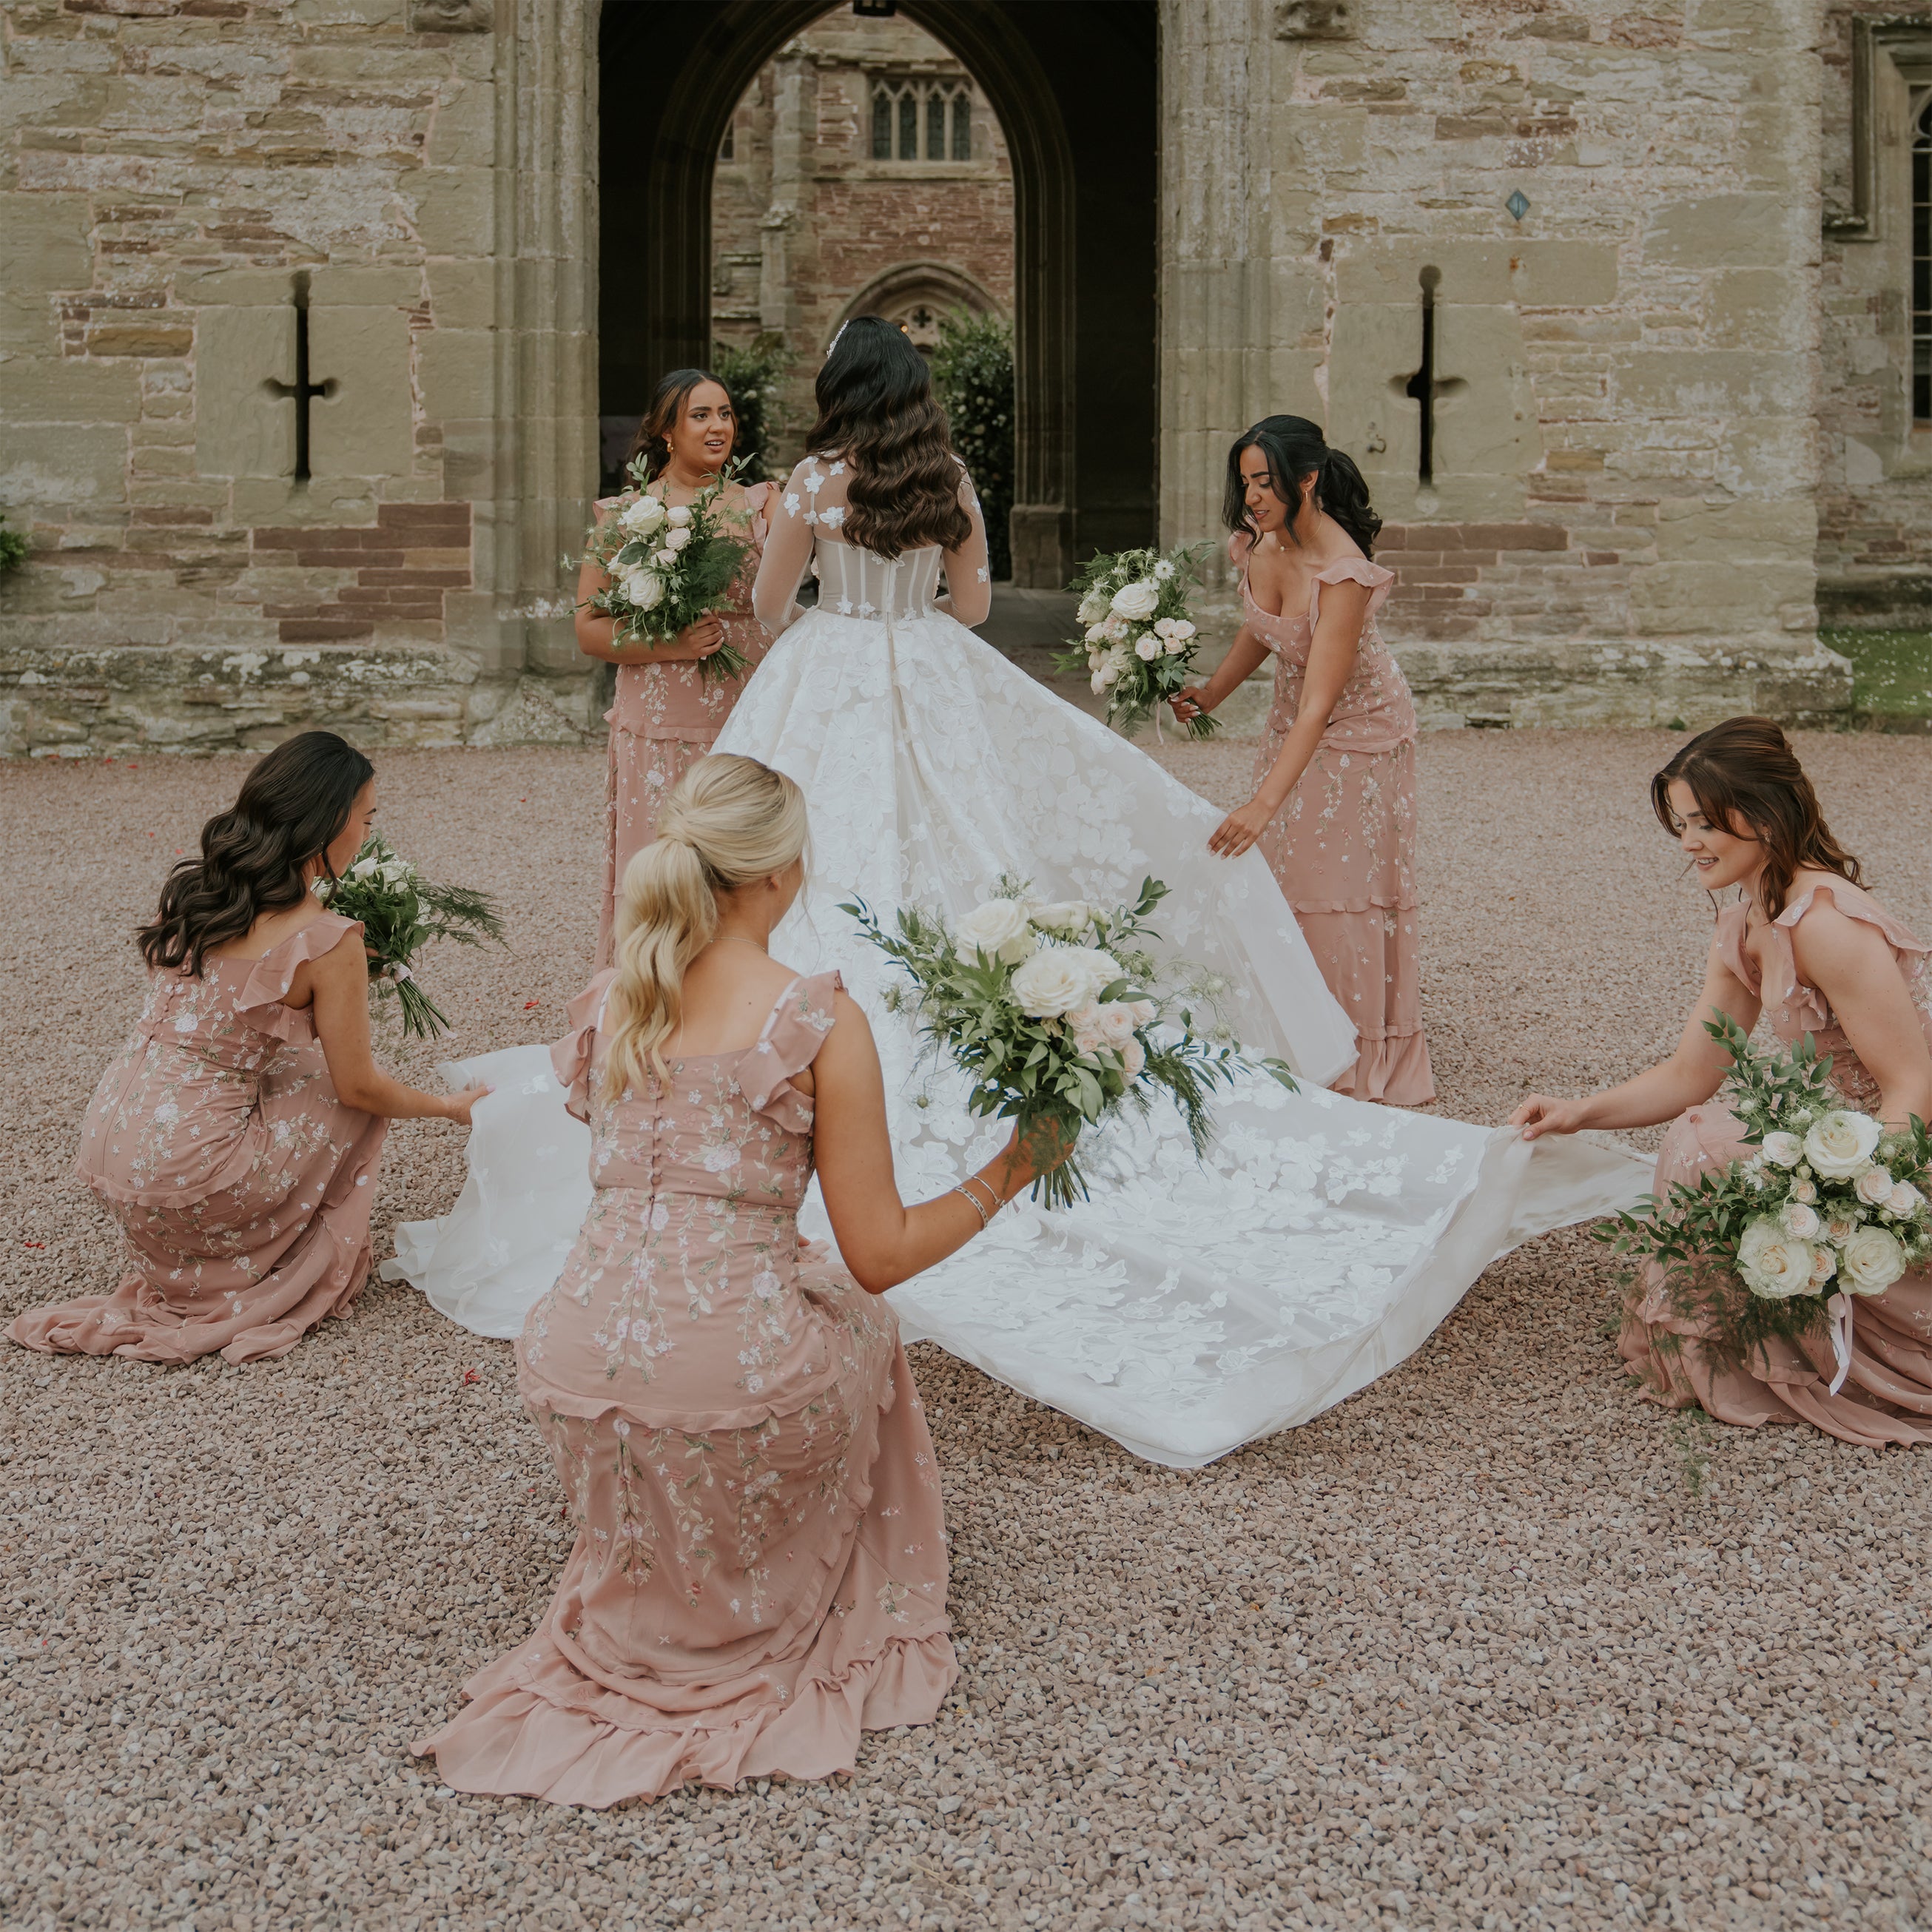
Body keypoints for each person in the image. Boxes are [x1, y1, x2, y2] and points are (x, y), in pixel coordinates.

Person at [390, 320, 1645, 1470]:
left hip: (820, 679)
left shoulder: (813, 487)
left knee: (804, 875)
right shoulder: (949, 490)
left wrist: (824, 618)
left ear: (837, 399)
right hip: (931, 678)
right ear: (919, 401)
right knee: (971, 864)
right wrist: (915, 607)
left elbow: (770, 611)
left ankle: (793, 1036)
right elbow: (978, 608)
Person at [414, 755, 1069, 1803]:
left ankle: (663, 1563)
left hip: (571, 1354)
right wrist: (1011, 1167)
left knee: (746, 1298)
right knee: (860, 1312)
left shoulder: (609, 1001)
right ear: (776, 875)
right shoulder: (812, 1020)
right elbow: (881, 1250)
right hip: (724, 1371)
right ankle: (763, 1571)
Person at [1514, 717, 1932, 1446]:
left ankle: (1779, 1348)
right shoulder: (1744, 927)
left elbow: (1911, 1083)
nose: (1687, 843)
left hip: (1907, 1143)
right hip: (1853, 1133)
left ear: (1766, 815)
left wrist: (1851, 1199)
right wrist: (1576, 1112)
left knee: (1709, 1146)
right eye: (1680, 824)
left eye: (1704, 822)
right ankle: (1733, 1346)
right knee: (1702, 1133)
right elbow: (1689, 1075)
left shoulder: (1826, 922)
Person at [8, 732, 487, 1365]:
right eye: (365, 819)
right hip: (189, 1177)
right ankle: (285, 1263)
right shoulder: (327, 936)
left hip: (112, 1151)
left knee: (293, 1062)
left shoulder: (196, 895)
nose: (368, 837)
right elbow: (359, 1085)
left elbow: (234, 1011)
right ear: (326, 822)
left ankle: (198, 1258)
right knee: (348, 1096)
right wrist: (450, 1107)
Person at [1170, 417, 1433, 1106]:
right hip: (1297, 719)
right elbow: (1263, 629)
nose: (1252, 495)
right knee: (1284, 874)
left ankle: (1350, 1054)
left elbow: (1321, 703)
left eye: (1266, 481)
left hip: (1361, 729)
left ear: (1307, 479)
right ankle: (1293, 1033)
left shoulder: (1342, 571)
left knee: (1333, 885)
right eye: (1246, 480)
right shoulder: (1258, 543)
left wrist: (1262, 803)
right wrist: (1211, 692)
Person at [576, 368, 781, 968]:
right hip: (660, 724)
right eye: (700, 415)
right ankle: (654, 1002)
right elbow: (589, 629)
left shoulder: (761, 506)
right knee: (665, 871)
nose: (718, 426)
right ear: (667, 430)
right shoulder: (625, 515)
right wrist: (674, 644)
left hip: (749, 713)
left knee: (743, 868)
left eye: (724, 413)